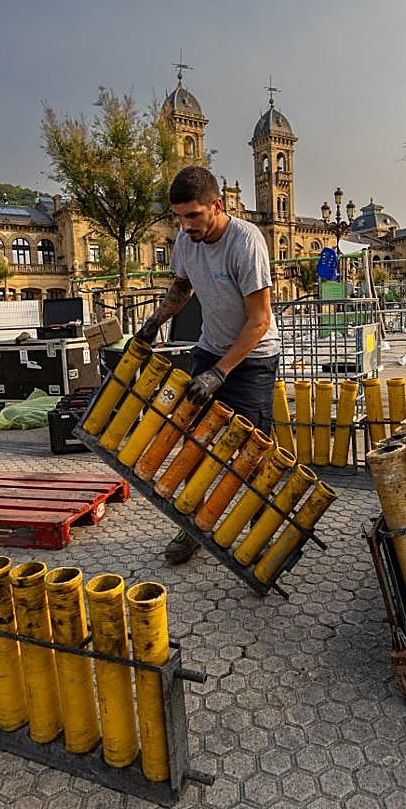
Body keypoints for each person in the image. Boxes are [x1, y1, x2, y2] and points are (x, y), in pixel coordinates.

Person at [134, 166, 281, 563]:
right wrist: (153, 323)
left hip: (252, 359)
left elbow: (260, 320)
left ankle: (259, 535)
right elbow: (181, 287)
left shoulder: (245, 242)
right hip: (209, 348)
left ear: (217, 206)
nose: (185, 226)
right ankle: (196, 524)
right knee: (193, 444)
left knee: (252, 451)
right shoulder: (186, 241)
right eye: (179, 217)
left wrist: (221, 373)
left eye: (193, 215)